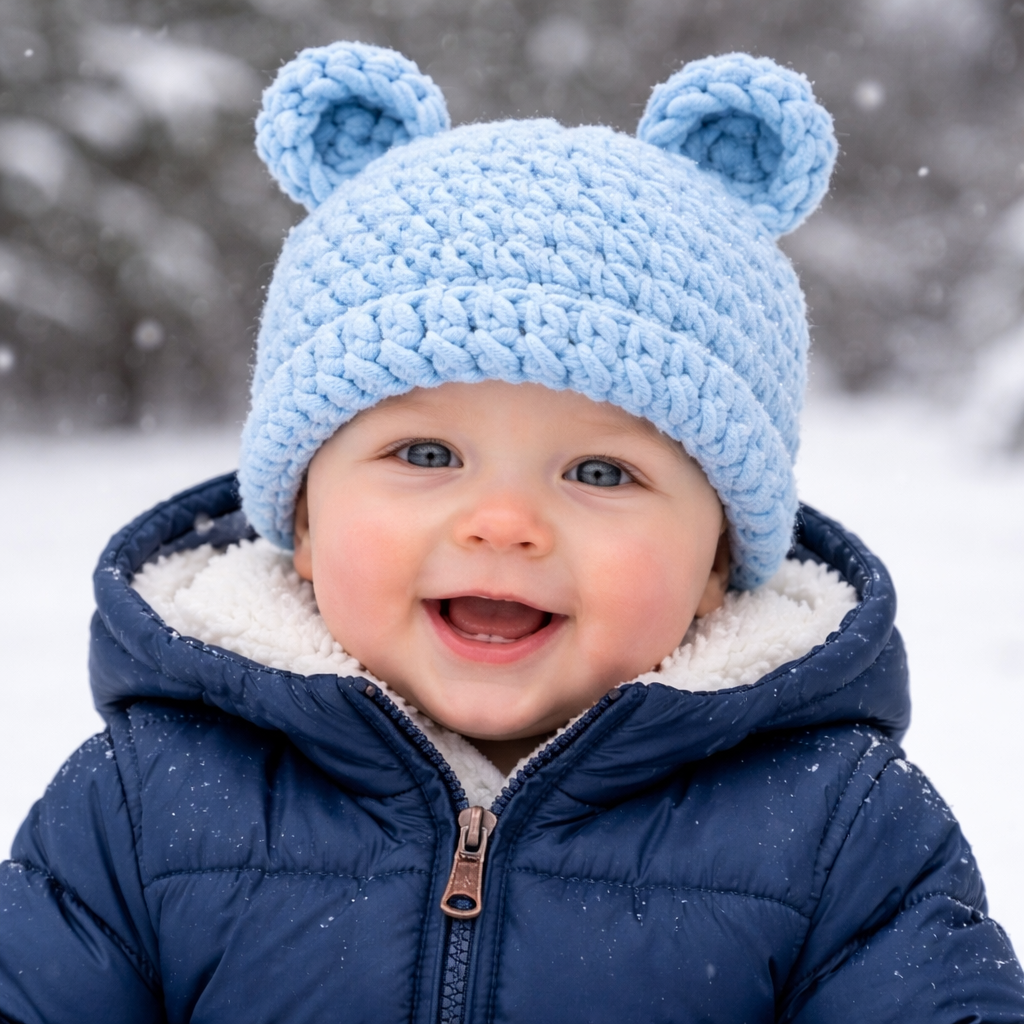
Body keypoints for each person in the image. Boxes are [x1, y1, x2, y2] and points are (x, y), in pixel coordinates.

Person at [1, 41, 1021, 1024]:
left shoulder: (839, 830)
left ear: (717, 560)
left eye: (600, 471)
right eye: (427, 454)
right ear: (303, 520)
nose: (503, 523)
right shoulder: (142, 809)